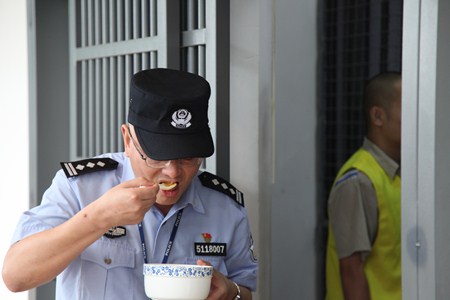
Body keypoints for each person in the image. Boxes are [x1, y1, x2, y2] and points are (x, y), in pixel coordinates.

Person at [2, 68, 258, 300]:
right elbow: (16, 276)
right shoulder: (81, 187)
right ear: (127, 139)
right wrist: (98, 217)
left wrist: (232, 294)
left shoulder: (225, 206)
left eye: (188, 157)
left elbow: (245, 288)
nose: (172, 172)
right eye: (157, 155)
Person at [325, 71, 402, 300]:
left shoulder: (394, 176)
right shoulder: (359, 180)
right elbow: (352, 272)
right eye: (408, 108)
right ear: (378, 116)